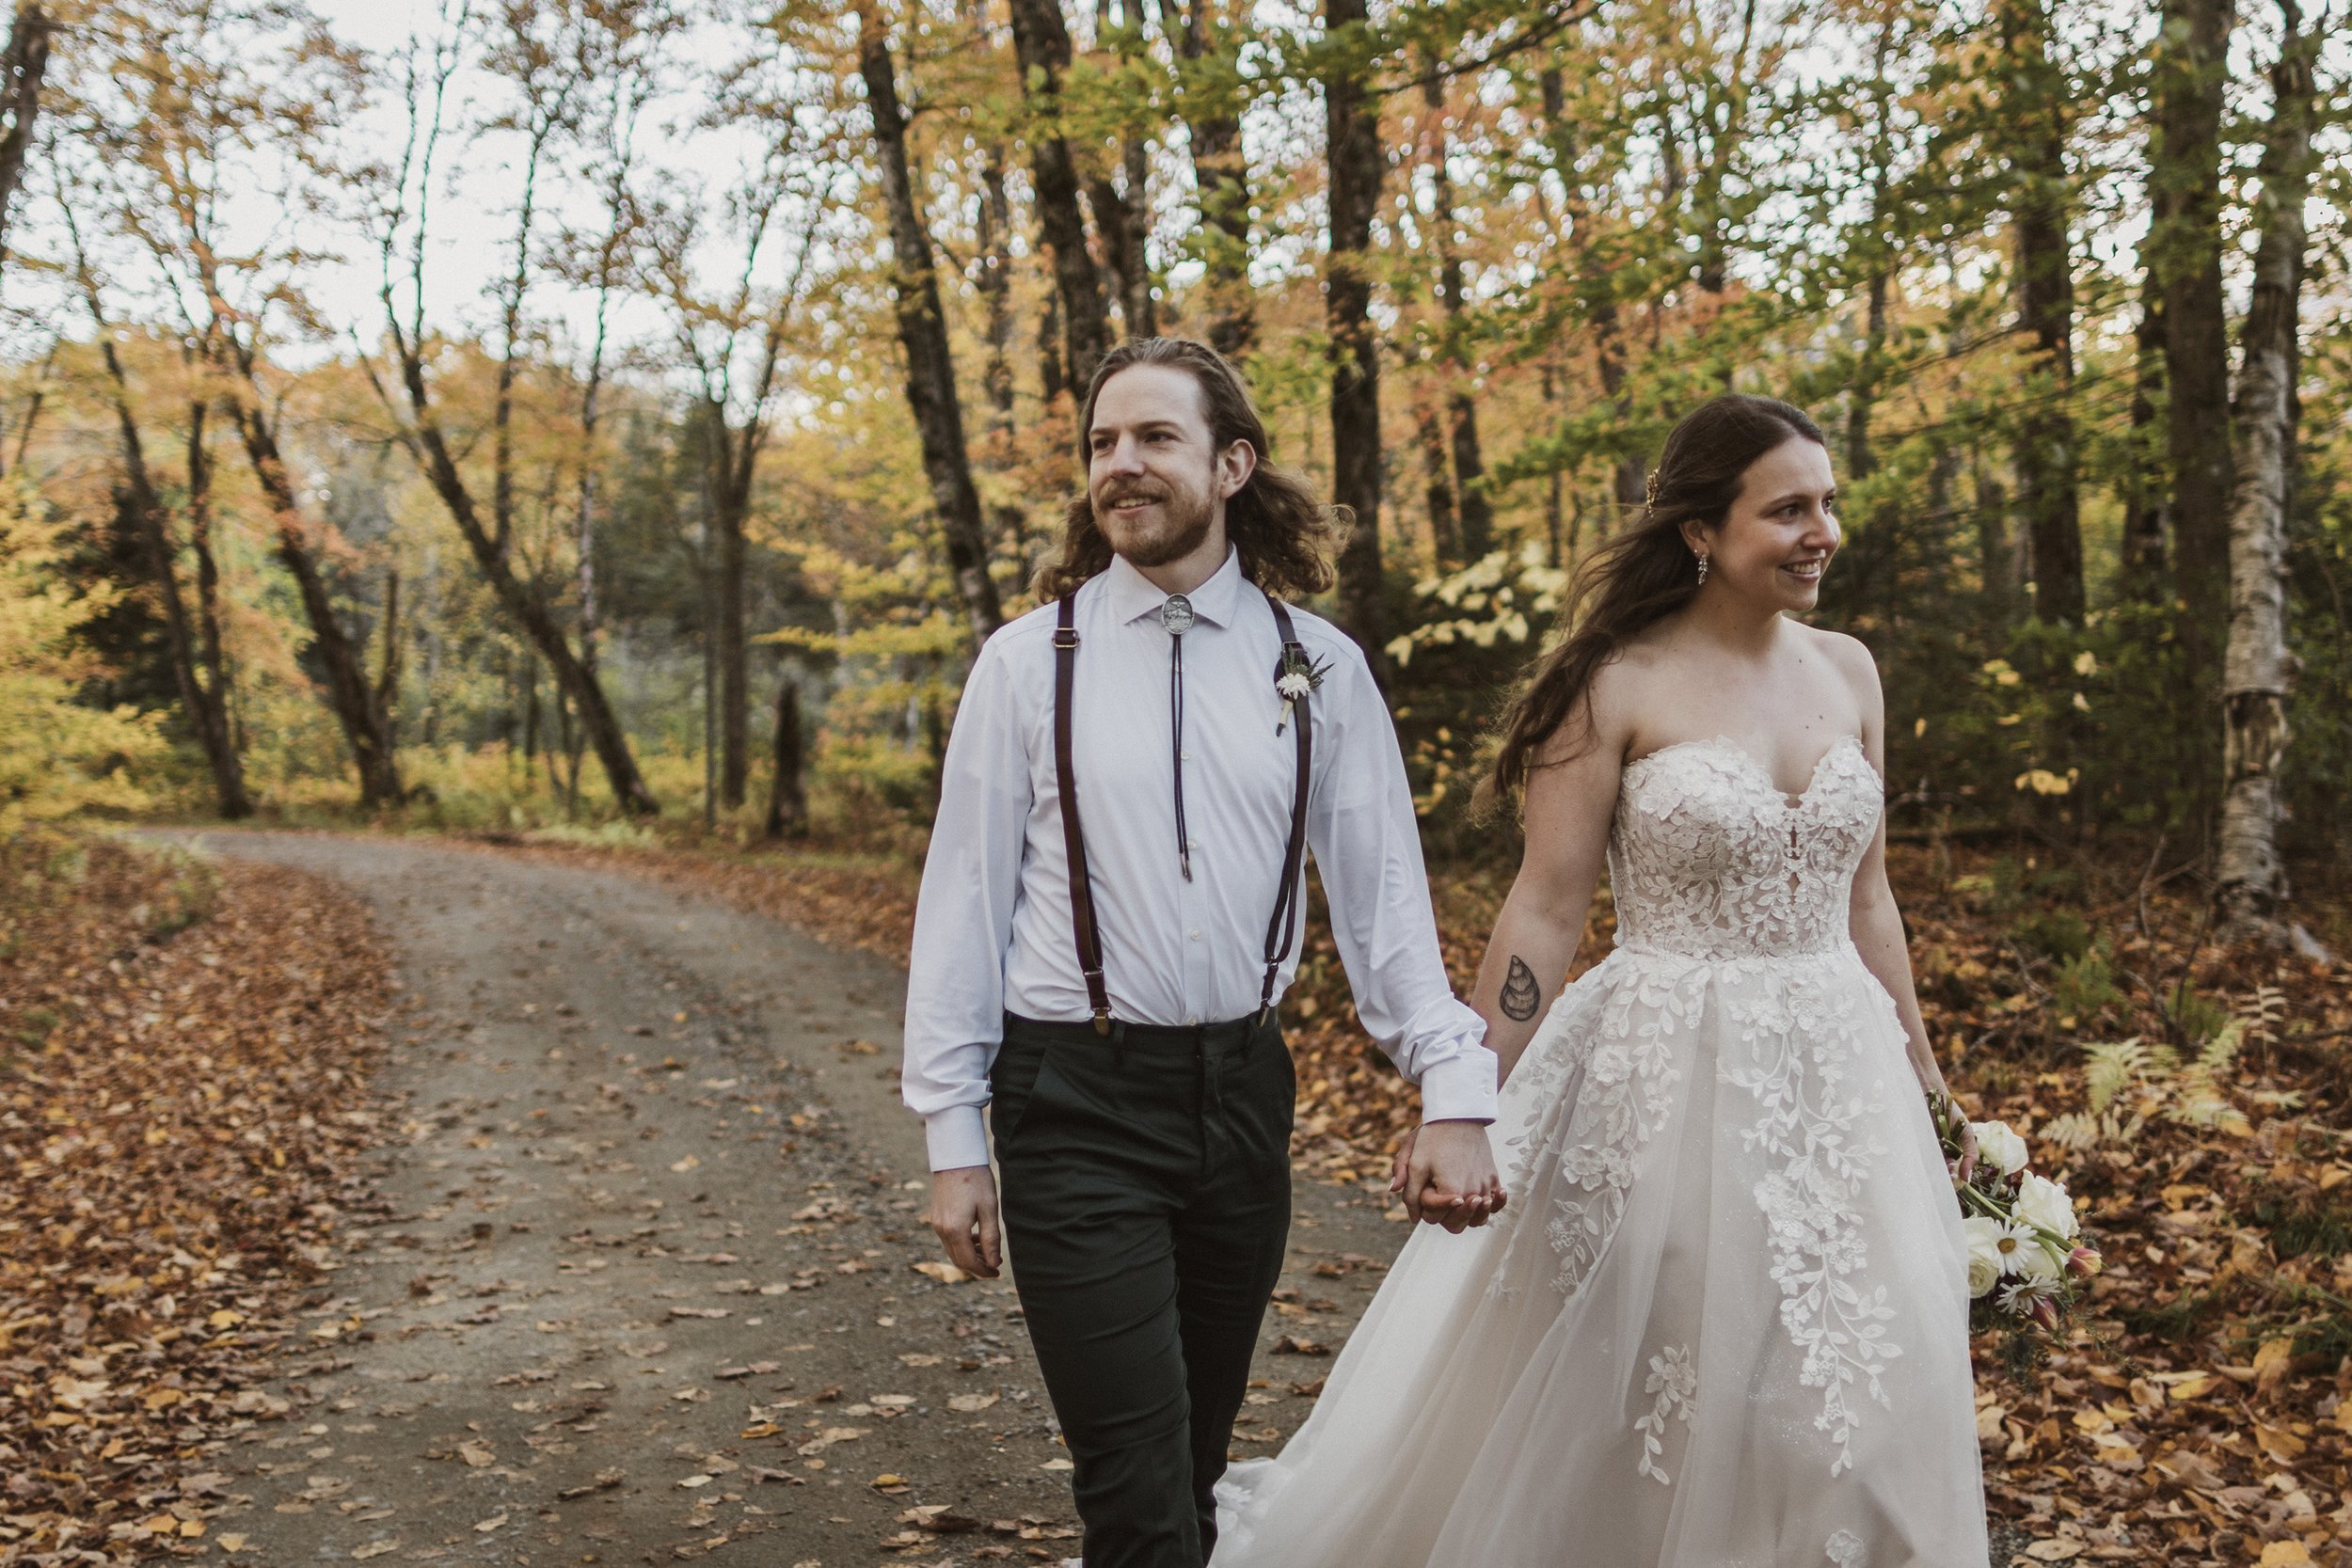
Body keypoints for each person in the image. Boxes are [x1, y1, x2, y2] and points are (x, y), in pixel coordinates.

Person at [1211, 394, 1988, 1567]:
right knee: (1670, 1361)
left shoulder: (1851, 671)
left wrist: (1930, 1083)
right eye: (1787, 509)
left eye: (1827, 503)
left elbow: (1867, 897)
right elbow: (1544, 905)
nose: (1820, 530)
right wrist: (1460, 1098)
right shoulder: (1612, 683)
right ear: (1700, 531)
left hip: (1841, 1069)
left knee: (1853, 1377)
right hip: (1663, 1071)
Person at [902, 336, 1505, 1568]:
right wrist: (953, 1133)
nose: (1119, 464)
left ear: (1230, 464)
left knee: (1192, 1458)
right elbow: (961, 905)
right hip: (1071, 1100)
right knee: (1134, 1488)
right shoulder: (1028, 663)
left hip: (1241, 1097)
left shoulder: (1317, 664)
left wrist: (1453, 1083)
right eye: (1100, 443)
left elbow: (1385, 905)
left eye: (1153, 438)